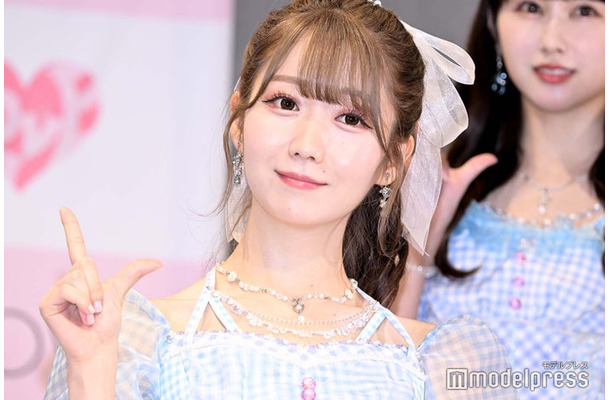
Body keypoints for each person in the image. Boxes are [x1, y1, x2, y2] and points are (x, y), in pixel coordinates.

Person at [40, 1, 518, 398]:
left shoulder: (443, 365)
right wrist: (91, 375)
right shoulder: (134, 340)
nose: (307, 145)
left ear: (394, 159)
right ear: (239, 122)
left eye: (351, 119)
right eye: (285, 103)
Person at [392, 0, 604, 398]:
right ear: (493, 23)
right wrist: (420, 246)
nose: (552, 41)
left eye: (585, 11)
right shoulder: (436, 173)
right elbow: (381, 365)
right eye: (531, 7)